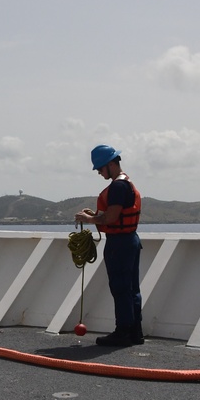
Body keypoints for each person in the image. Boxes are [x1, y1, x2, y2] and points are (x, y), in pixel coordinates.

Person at [74, 144, 144, 346]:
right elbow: (116, 215)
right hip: (131, 240)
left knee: (120, 288)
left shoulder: (117, 187)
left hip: (119, 244)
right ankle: (135, 332)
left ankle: (122, 332)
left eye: (100, 168)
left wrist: (87, 219)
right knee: (132, 289)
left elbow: (112, 217)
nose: (98, 172)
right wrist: (95, 216)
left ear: (111, 164)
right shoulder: (126, 184)